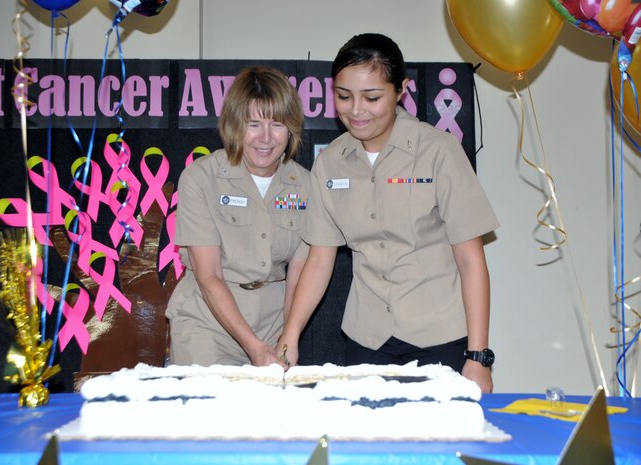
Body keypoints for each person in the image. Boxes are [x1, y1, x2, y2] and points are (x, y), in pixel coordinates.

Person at [276, 33, 499, 392]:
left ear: (402, 91)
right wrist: (290, 335)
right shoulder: (331, 163)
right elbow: (319, 260)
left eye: (372, 97)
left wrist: (478, 356)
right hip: (367, 341)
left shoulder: (439, 152)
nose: (356, 110)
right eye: (344, 96)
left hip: (439, 339)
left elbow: (471, 262)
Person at [166, 66, 309, 367]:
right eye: (253, 124)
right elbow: (209, 276)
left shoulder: (306, 185)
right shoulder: (201, 178)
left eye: (278, 124)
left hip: (273, 327)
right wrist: (253, 347)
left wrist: (288, 337)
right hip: (207, 326)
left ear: (292, 128)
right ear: (234, 125)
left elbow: (298, 276)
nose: (266, 138)